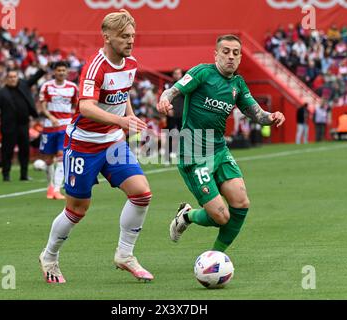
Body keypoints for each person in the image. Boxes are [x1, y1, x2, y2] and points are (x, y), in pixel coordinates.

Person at [39, 9, 154, 284]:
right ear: (107, 37)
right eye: (124, 36)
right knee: (78, 209)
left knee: (141, 193)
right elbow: (85, 106)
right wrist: (121, 121)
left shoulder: (131, 63)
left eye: (133, 36)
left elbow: (122, 93)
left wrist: (130, 115)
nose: (130, 41)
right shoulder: (95, 67)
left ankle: (125, 255)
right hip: (83, 144)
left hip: (112, 141)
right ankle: (49, 255)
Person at [157, 34, 285, 253]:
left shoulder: (238, 84)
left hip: (218, 149)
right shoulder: (203, 73)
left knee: (241, 203)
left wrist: (271, 116)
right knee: (221, 216)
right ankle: (186, 216)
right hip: (194, 153)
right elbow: (174, 89)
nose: (230, 57)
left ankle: (215, 258)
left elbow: (256, 112)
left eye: (236, 53)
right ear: (216, 54)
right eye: (225, 52)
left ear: (240, 58)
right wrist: (165, 99)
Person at [0, 66, 46, 181]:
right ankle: (6, 175)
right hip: (8, 126)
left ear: (17, 78)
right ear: (6, 79)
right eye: (10, 77)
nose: (12, 79)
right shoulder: (0, 93)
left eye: (14, 77)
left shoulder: (23, 86)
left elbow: (34, 79)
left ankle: (24, 175)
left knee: (24, 150)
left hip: (23, 124)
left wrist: (42, 70)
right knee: (7, 151)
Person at [38, 61, 78, 200]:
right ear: (54, 72)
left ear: (67, 72)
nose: (61, 72)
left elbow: (76, 105)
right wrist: (51, 117)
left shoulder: (72, 87)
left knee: (62, 155)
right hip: (49, 126)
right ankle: (50, 186)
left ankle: (57, 189)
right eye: (58, 70)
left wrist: (73, 119)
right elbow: (42, 106)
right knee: (48, 160)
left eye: (63, 70)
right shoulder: (47, 86)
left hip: (65, 126)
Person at [164, 68, 185, 159]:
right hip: (171, 113)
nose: (177, 75)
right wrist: (168, 109)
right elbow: (165, 97)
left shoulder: (185, 85)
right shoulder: (168, 85)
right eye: (175, 73)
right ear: (173, 75)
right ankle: (167, 155)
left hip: (182, 113)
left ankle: (182, 153)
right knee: (169, 133)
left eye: (179, 73)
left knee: (183, 133)